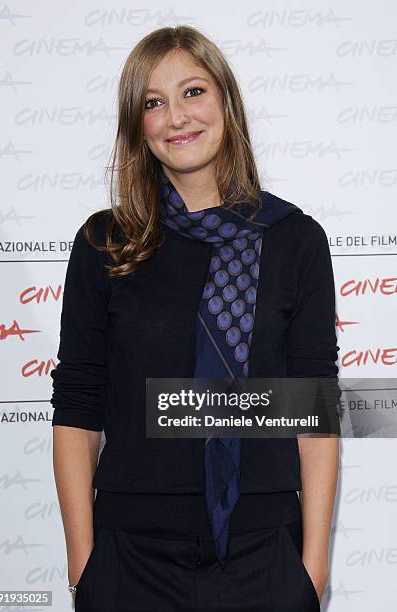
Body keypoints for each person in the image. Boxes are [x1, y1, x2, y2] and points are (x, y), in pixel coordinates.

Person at [51, 25, 341, 612]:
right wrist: (85, 567)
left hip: (263, 556)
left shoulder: (294, 240)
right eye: (153, 102)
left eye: (193, 91)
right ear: (138, 126)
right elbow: (79, 407)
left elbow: (314, 411)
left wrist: (311, 571)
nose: (176, 116)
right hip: (130, 558)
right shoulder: (105, 242)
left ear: (226, 102)